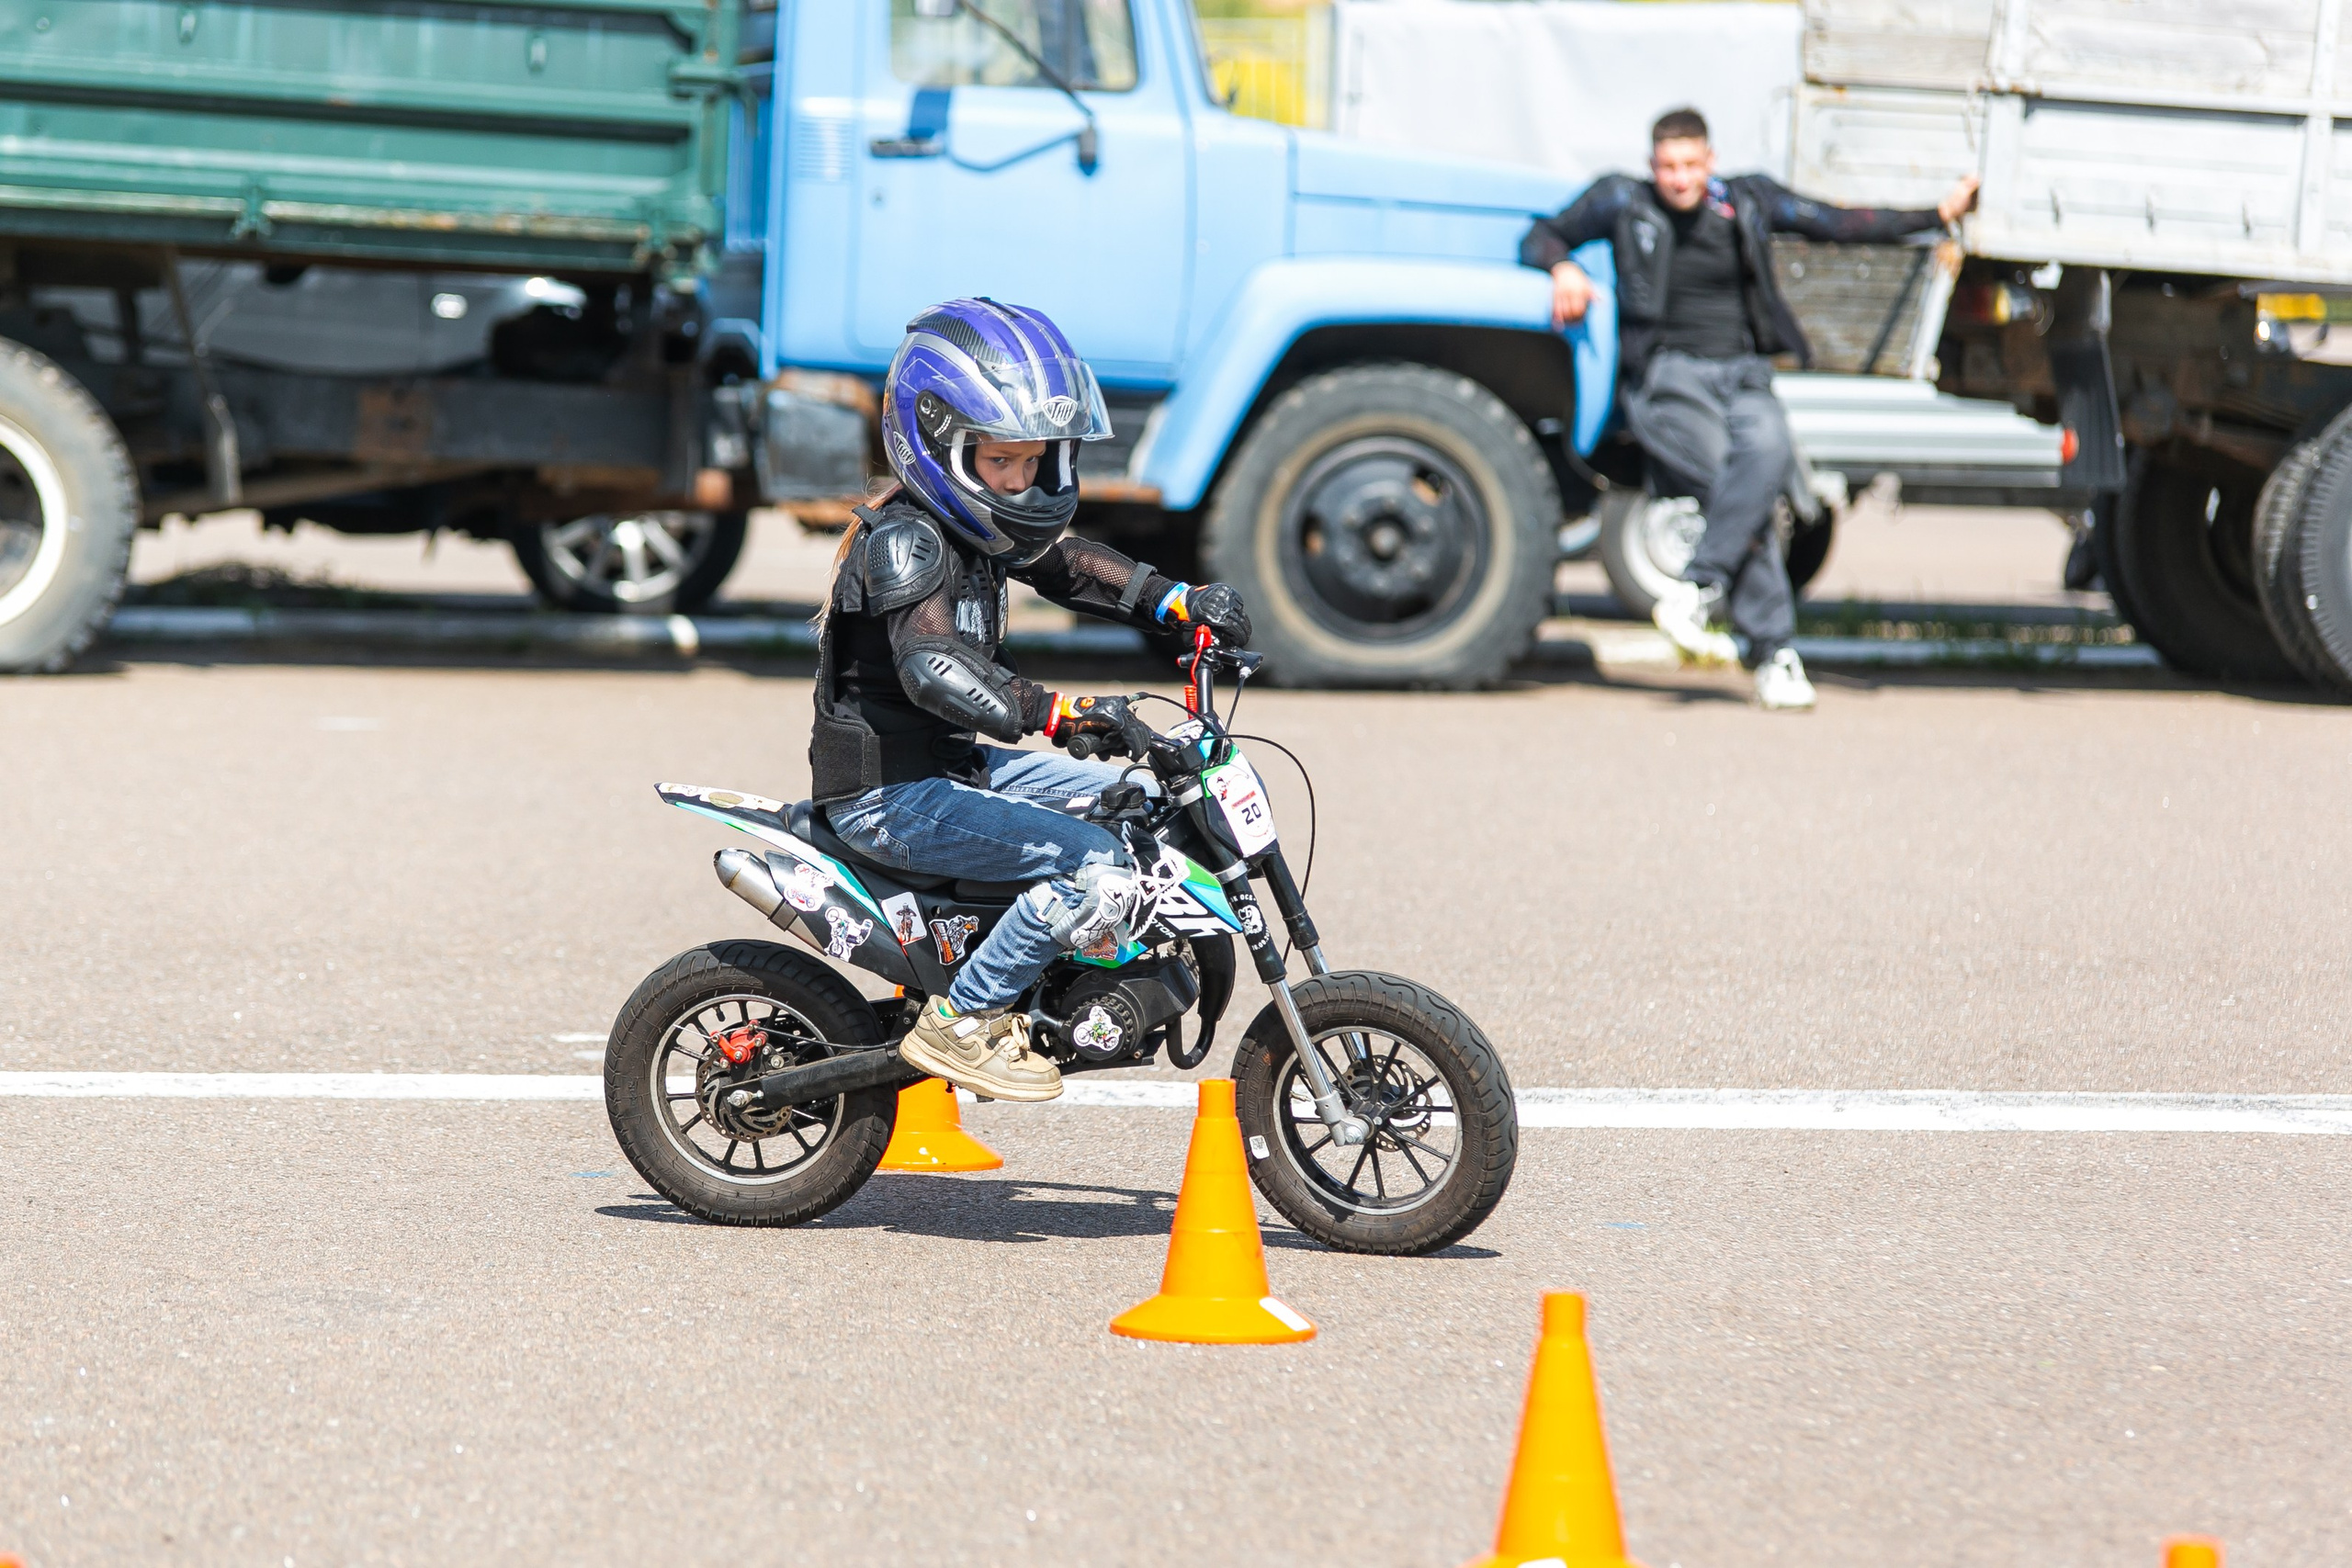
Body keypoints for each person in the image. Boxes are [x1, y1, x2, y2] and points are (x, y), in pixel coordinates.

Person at [810, 298, 1251, 1102]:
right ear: (939, 443)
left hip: (956, 770)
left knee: (1140, 800)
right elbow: (934, 667)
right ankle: (966, 1019)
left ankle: (1070, 975)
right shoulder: (909, 540)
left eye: (1034, 460)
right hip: (888, 795)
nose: (1020, 480)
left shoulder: (984, 530)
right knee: (1094, 864)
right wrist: (1058, 713)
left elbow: (1073, 565)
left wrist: (1175, 600)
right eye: (1000, 461)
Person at [1521, 107, 1979, 709]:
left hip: (1743, 377)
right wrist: (1562, 267)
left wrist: (1935, 215)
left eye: (1690, 165)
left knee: (1761, 464)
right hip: (1668, 377)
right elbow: (1541, 233)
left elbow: (1836, 223)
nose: (1678, 179)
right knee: (1737, 490)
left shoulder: (1747, 202)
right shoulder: (1622, 201)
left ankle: (1699, 585)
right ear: (1651, 166)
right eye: (1666, 167)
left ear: (1710, 162)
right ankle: (1776, 652)